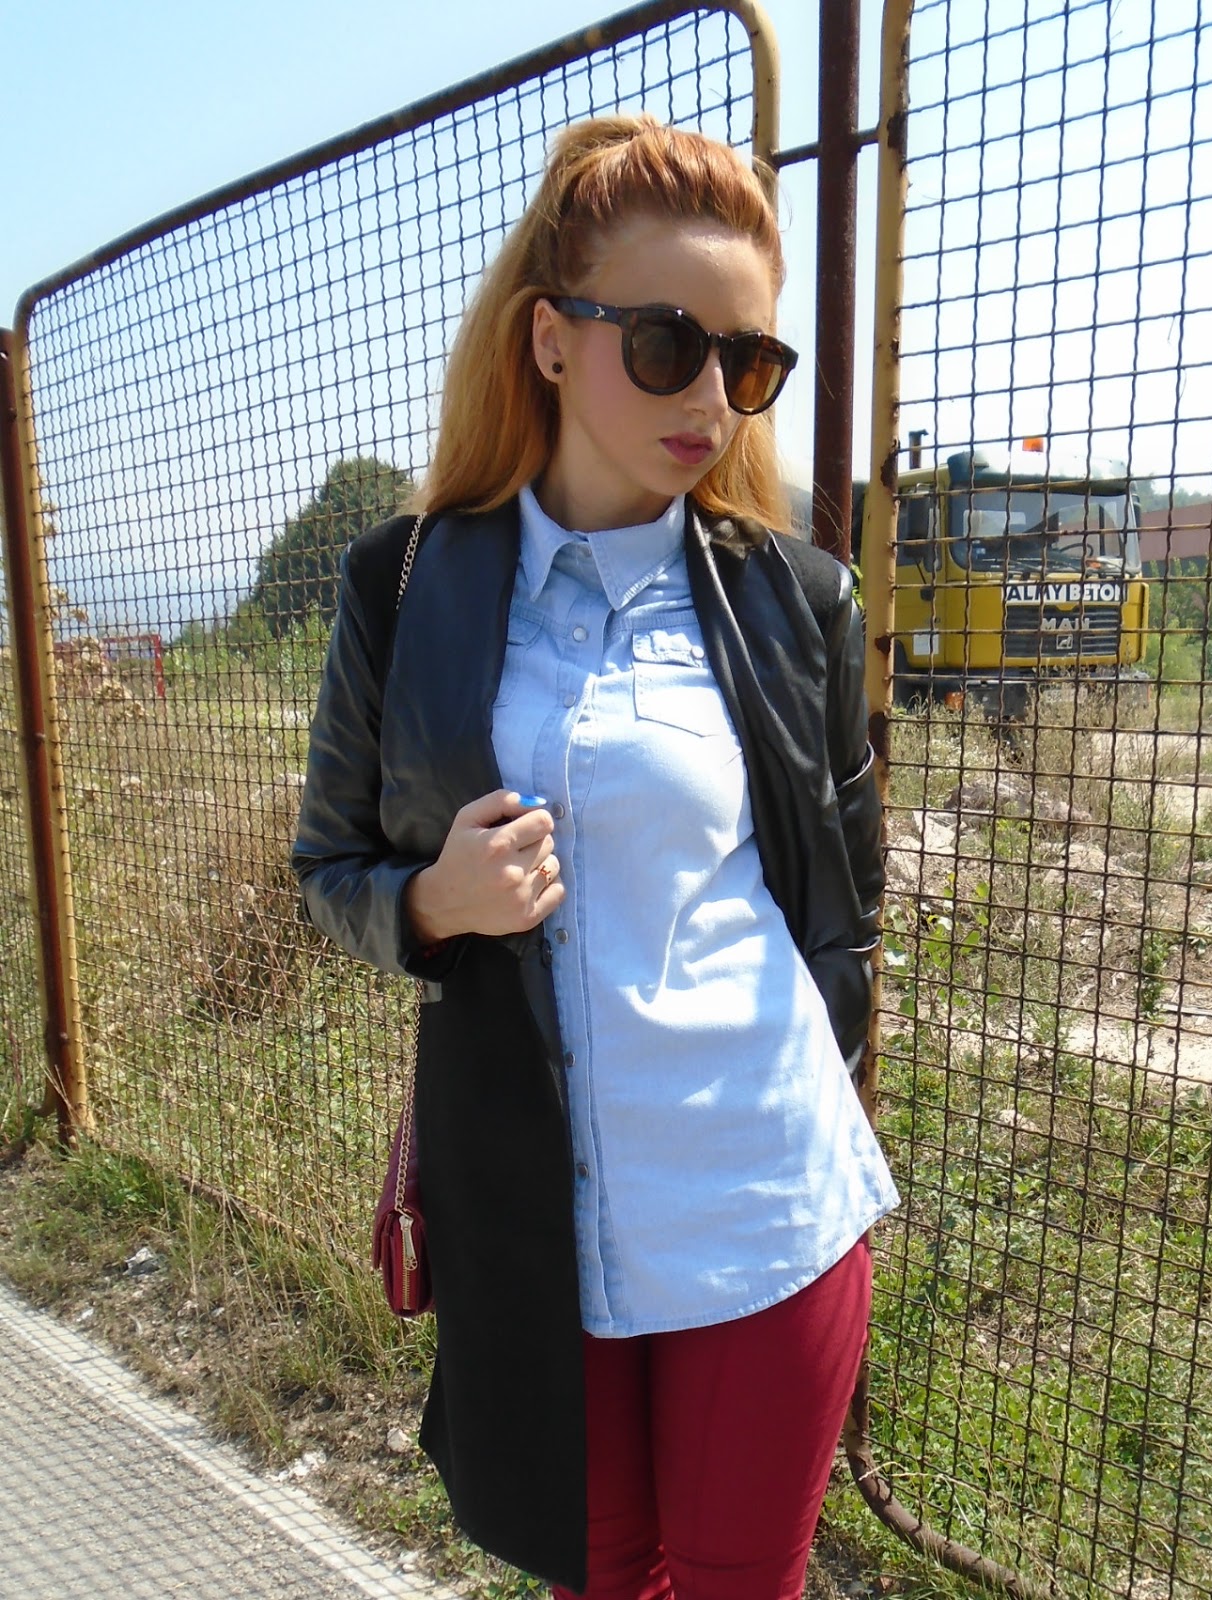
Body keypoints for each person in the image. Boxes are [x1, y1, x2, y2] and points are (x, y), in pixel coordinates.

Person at [291, 113, 898, 1600]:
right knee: (597, 1576)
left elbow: (843, 916)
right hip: (528, 1211)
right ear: (552, 340)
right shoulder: (405, 585)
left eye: (747, 364)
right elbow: (330, 868)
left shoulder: (797, 601)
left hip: (760, 1200)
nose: (711, 399)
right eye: (667, 345)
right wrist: (433, 904)